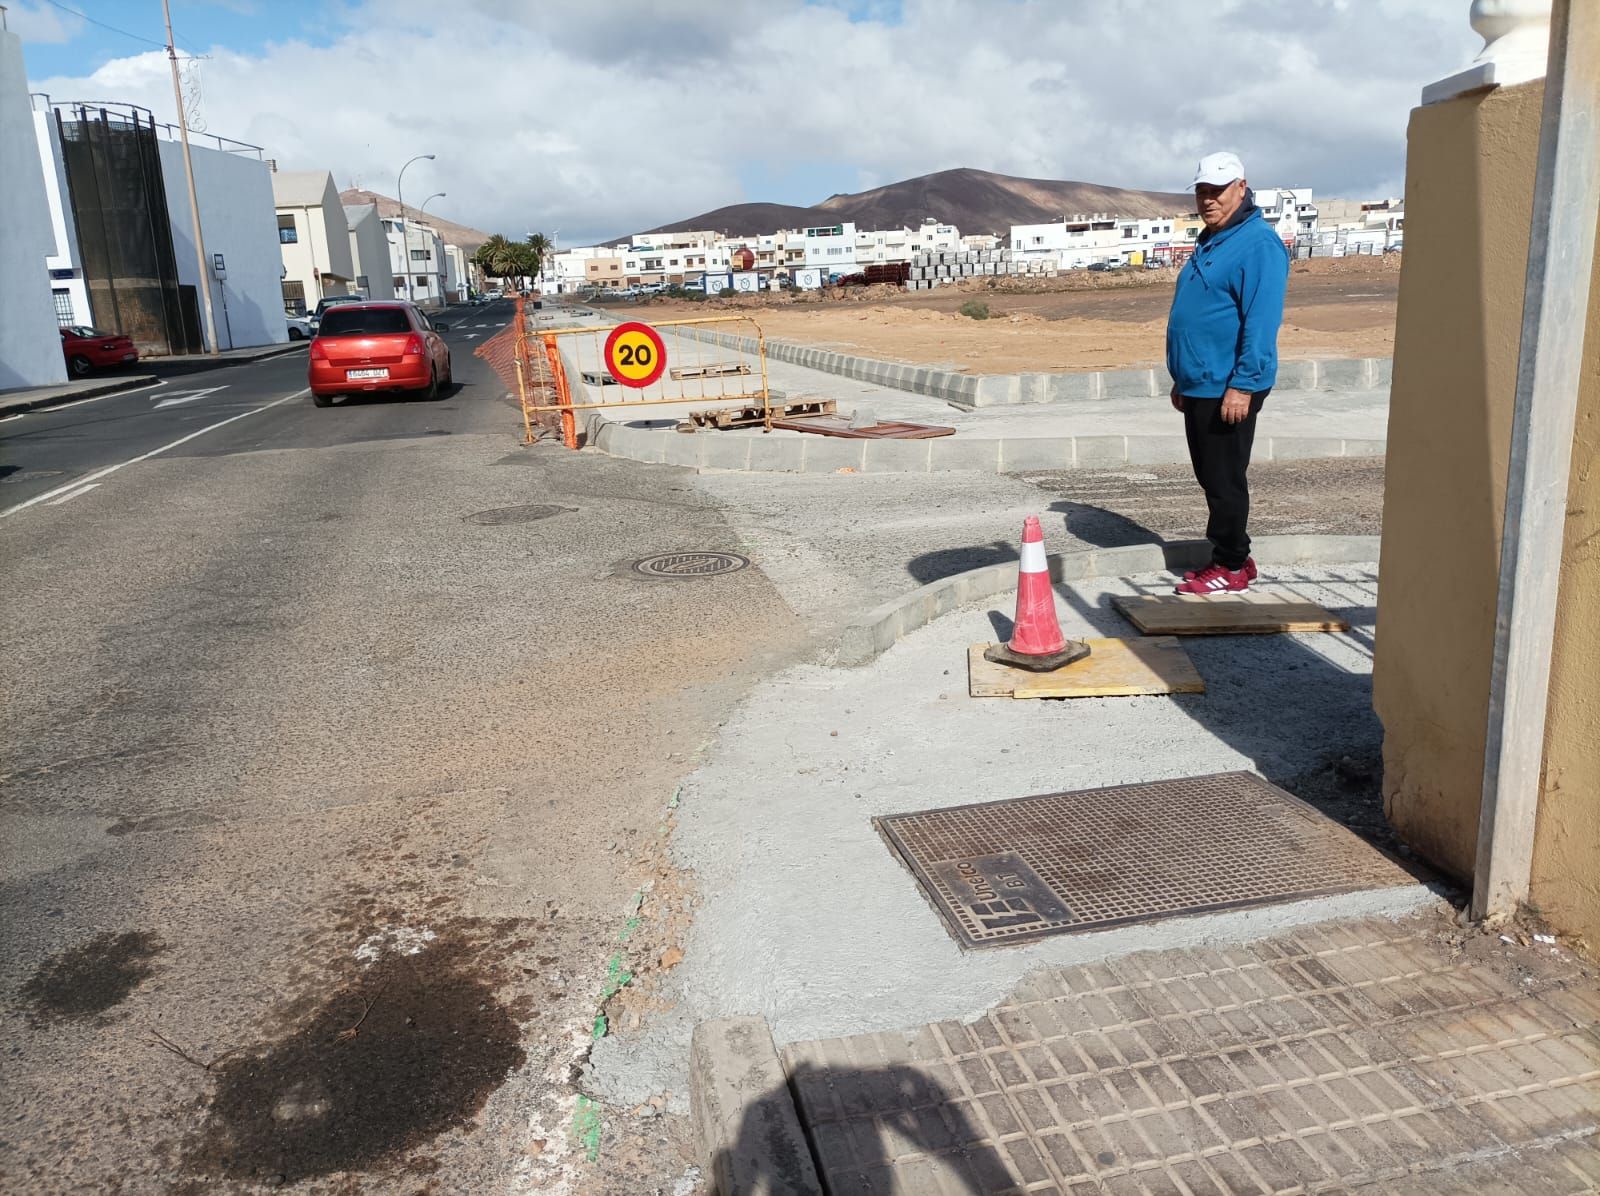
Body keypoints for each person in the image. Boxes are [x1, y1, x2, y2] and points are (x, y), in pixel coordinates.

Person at [1166, 151, 1289, 595]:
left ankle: (1231, 564)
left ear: (1241, 186)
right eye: (1202, 191)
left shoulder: (1258, 244)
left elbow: (1260, 321)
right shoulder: (1211, 240)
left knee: (1223, 479)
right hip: (1201, 384)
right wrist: (1184, 378)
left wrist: (1243, 385)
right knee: (1211, 474)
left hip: (1228, 386)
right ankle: (1235, 555)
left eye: (1217, 191)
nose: (1208, 200)